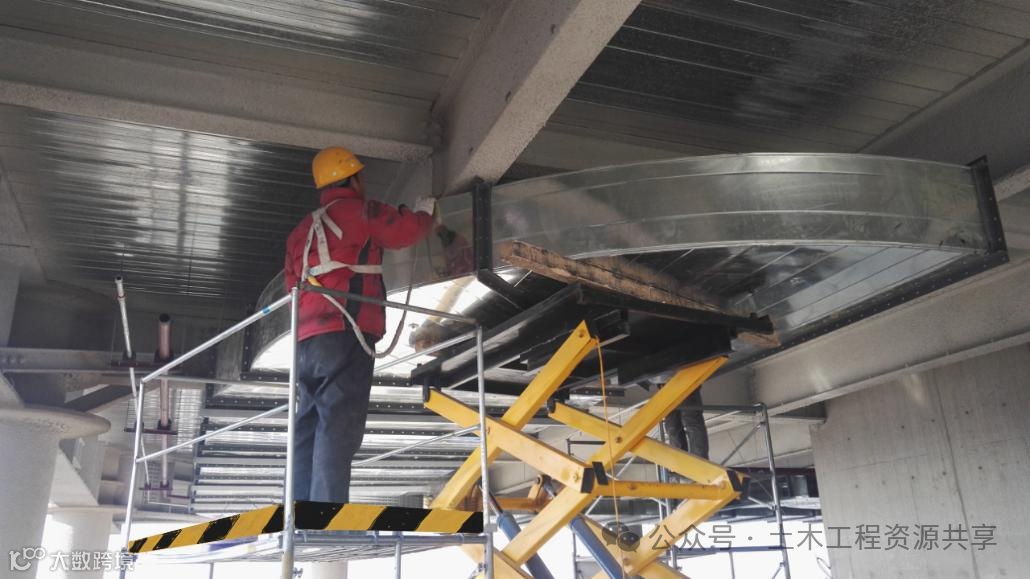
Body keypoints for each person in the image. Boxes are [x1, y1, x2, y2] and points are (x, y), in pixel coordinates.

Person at [284, 146, 435, 503]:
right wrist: (425, 214)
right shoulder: (361, 212)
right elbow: (403, 232)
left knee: (308, 423)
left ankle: (298, 508)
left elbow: (292, 285)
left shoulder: (300, 231)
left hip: (307, 340)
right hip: (346, 331)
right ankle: (326, 513)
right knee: (338, 423)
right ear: (352, 179)